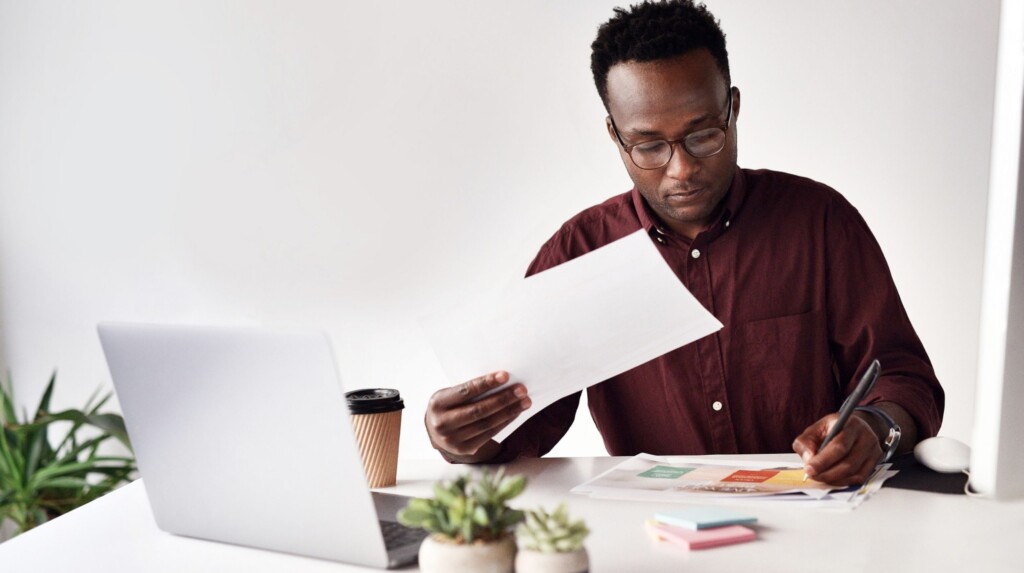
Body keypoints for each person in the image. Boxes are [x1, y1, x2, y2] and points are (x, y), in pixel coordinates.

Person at [424, 0, 944, 486]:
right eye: (649, 145)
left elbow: (905, 380)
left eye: (702, 136)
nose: (683, 168)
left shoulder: (821, 223)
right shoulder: (581, 253)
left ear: (733, 108)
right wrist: (462, 437)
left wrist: (875, 429)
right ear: (615, 135)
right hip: (653, 536)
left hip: (813, 515)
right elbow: (522, 430)